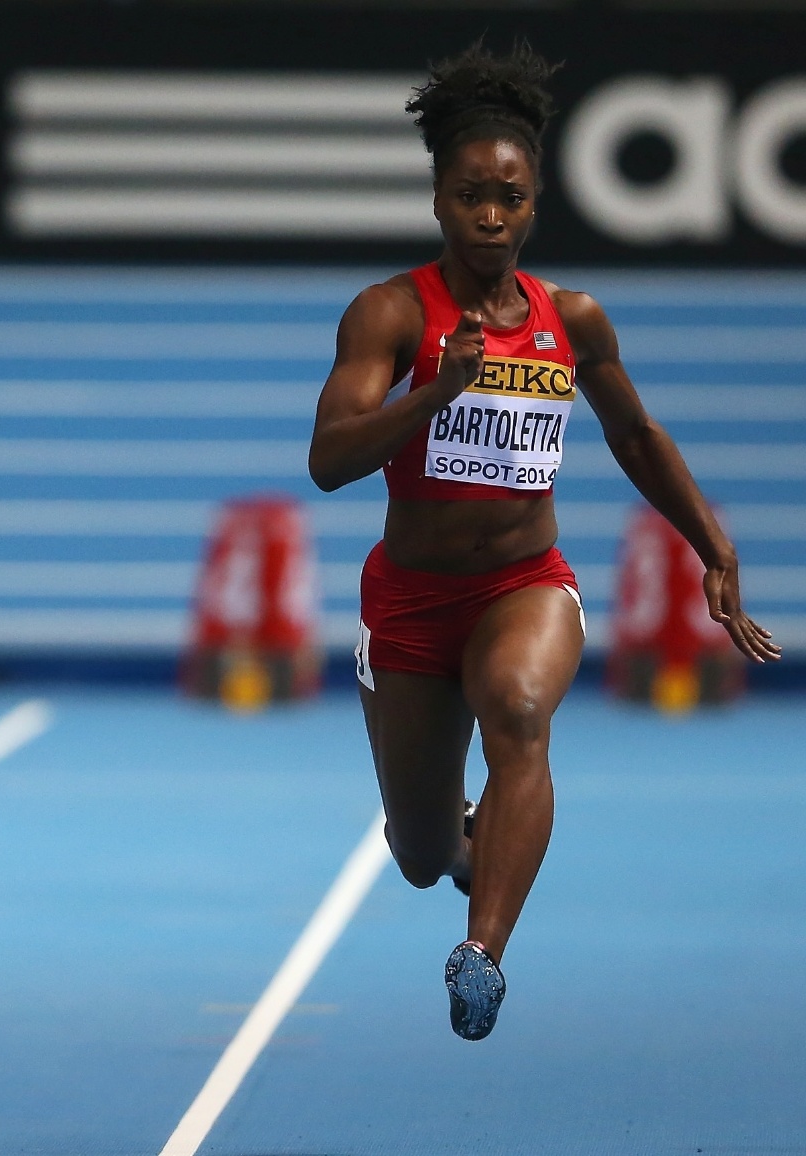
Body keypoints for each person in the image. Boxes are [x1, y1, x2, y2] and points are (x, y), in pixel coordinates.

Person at [308, 44, 780, 1041]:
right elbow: (329, 458)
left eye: (510, 198)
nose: (491, 216)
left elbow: (636, 434)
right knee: (422, 849)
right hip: (412, 601)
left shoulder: (574, 320)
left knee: (520, 706)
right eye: (471, 195)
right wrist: (433, 392)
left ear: (534, 204)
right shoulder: (391, 314)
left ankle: (482, 955)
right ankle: (467, 851)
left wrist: (712, 545)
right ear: (438, 199)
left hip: (527, 581)